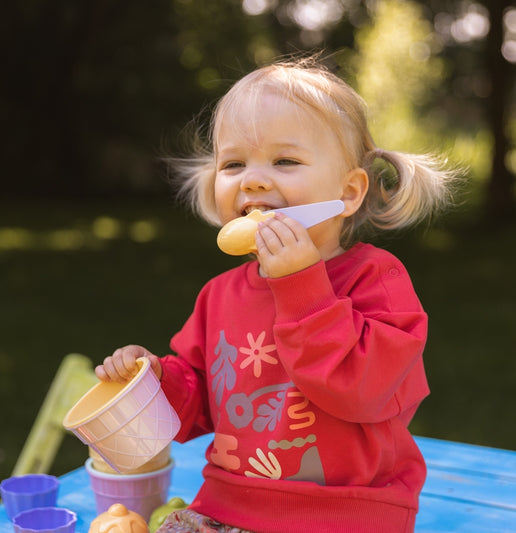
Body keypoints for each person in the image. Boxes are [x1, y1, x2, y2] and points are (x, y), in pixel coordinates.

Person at [95, 55, 458, 533]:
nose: (254, 179)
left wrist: (302, 285)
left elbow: (364, 392)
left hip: (345, 514)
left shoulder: (376, 281)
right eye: (234, 163)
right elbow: (200, 399)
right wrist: (154, 381)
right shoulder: (219, 294)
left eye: (284, 161)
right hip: (228, 506)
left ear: (349, 192)